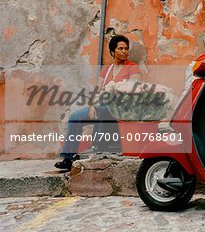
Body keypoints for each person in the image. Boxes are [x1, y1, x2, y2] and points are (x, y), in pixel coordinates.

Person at [54, 35, 141, 170]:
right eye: (120, 48)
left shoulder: (132, 67)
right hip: (102, 106)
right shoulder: (106, 70)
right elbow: (96, 91)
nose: (124, 51)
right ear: (112, 51)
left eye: (126, 49)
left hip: (121, 107)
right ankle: (68, 158)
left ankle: (98, 146)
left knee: (105, 109)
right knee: (75, 117)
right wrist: (92, 106)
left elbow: (134, 89)